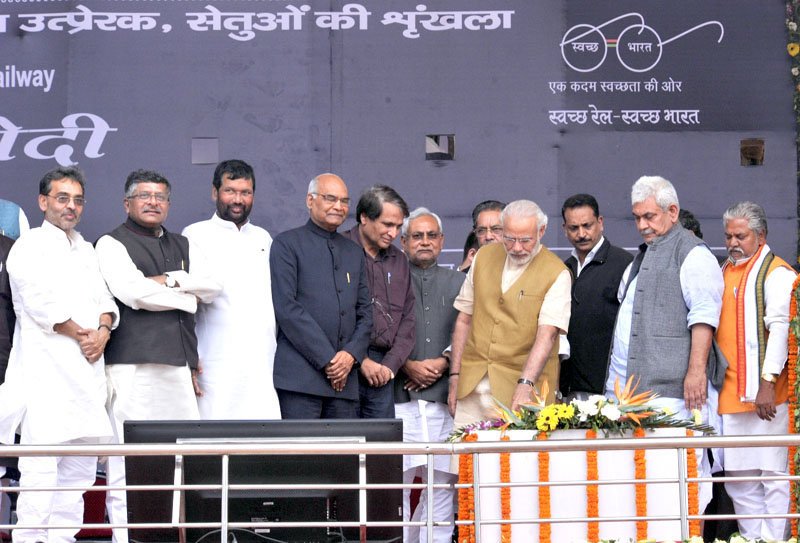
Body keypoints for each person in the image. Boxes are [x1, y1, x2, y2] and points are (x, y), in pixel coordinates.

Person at [95, 169, 221, 543]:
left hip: (178, 367)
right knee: (127, 462)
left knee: (182, 460)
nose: (153, 202)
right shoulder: (110, 243)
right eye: (144, 196)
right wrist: (187, 298)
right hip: (132, 367)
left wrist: (169, 280)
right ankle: (125, 538)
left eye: (160, 197)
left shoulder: (183, 243)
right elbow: (134, 294)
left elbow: (213, 286)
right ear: (127, 203)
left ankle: (175, 536)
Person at [4, 167, 118, 543]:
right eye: (62, 198)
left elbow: (105, 299)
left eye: (78, 200)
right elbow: (39, 303)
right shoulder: (28, 246)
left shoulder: (86, 248)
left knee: (78, 477)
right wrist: (83, 335)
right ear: (43, 202)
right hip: (47, 378)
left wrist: (103, 331)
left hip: (87, 378)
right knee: (40, 474)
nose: (71, 207)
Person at [605, 175, 724, 510]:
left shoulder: (693, 253)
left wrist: (696, 372)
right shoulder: (644, 254)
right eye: (637, 218)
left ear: (672, 212)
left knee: (681, 480)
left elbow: (704, 316)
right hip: (628, 393)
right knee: (636, 483)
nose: (642, 225)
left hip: (673, 395)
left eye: (649, 216)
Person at [448, 199, 571, 429]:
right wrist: (455, 376)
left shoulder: (557, 272)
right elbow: (464, 319)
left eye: (525, 240)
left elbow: (547, 335)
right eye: (509, 238)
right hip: (471, 388)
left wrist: (526, 384)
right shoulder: (482, 257)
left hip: (522, 393)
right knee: (464, 452)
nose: (516, 247)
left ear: (541, 231)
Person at [716, 201, 795, 541]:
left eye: (741, 236)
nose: (733, 243)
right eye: (728, 236)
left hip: (768, 395)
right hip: (731, 393)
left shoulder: (776, 272)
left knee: (774, 476)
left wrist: (767, 382)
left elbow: (780, 329)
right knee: (740, 479)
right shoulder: (724, 270)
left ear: (761, 236)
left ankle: (775, 539)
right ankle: (752, 539)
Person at [182, 159, 280, 419]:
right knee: (215, 435)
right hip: (214, 361)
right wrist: (190, 358)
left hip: (262, 361)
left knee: (262, 436)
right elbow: (189, 302)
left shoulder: (263, 238)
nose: (238, 200)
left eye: (245, 192)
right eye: (230, 191)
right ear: (215, 192)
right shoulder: (195, 234)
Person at [270, 173, 372, 419]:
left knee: (344, 446)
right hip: (300, 381)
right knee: (301, 445)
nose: (338, 206)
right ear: (310, 200)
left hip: (345, 382)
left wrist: (349, 356)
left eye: (344, 201)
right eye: (330, 198)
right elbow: (287, 308)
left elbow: (366, 313)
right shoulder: (287, 244)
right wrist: (329, 360)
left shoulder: (354, 252)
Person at [396, 208, 464, 543]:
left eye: (431, 235)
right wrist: (406, 363)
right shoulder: (389, 280)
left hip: (443, 401)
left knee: (441, 487)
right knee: (395, 488)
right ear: (403, 241)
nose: (425, 242)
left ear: (442, 241)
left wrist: (445, 360)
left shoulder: (460, 282)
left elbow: (472, 330)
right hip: (399, 400)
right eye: (417, 236)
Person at [343, 185, 415, 419]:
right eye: (387, 224)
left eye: (398, 226)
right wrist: (360, 359)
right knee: (344, 441)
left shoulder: (399, 260)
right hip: (343, 366)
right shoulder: (338, 250)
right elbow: (328, 316)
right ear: (364, 217)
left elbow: (408, 319)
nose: (393, 234)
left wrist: (389, 366)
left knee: (382, 442)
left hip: (383, 370)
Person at [560, 194, 632, 399]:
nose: (581, 234)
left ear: (600, 222)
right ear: (564, 229)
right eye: (574, 228)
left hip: (610, 389)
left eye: (587, 225)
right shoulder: (563, 268)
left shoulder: (624, 264)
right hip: (567, 388)